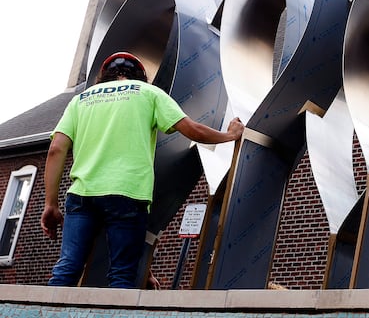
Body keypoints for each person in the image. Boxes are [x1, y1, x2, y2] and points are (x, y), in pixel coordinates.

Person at [40, 51, 244, 288]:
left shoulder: (80, 100)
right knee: (121, 275)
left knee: (68, 267)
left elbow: (56, 149)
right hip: (128, 193)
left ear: (104, 75)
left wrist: (50, 204)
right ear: (140, 75)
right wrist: (229, 135)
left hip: (82, 195)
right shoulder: (148, 93)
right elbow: (192, 130)